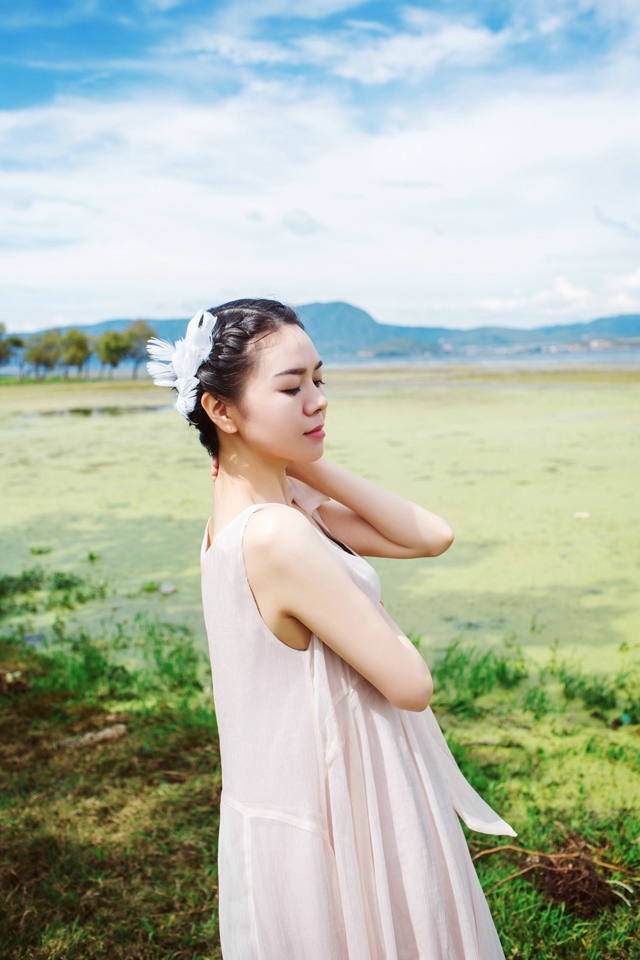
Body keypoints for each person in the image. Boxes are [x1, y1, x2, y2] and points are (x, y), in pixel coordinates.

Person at [147, 299, 516, 960]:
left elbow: (431, 535)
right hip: (336, 809)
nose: (317, 401)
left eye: (320, 379)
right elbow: (410, 683)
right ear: (221, 410)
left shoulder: (254, 514)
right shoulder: (279, 534)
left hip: (286, 801)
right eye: (291, 387)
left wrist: (299, 463)